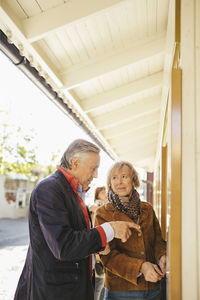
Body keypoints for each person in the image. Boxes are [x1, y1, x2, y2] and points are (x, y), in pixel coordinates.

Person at [14, 139, 140, 300]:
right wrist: (111, 229)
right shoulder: (49, 189)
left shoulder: (72, 192)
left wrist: (97, 246)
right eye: (93, 168)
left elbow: (75, 237)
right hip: (54, 293)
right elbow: (64, 246)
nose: (95, 175)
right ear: (75, 163)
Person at [95, 161, 167, 300]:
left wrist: (161, 257)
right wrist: (140, 267)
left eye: (124, 176)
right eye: (114, 178)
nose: (119, 182)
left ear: (134, 180)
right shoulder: (102, 213)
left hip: (153, 288)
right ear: (109, 183)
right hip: (121, 291)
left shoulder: (147, 209)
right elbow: (107, 257)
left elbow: (158, 242)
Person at [89, 186, 108, 300]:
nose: (105, 193)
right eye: (102, 192)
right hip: (97, 252)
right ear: (97, 195)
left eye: (106, 192)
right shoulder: (93, 208)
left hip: (106, 252)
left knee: (103, 286)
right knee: (98, 285)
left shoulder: (110, 208)